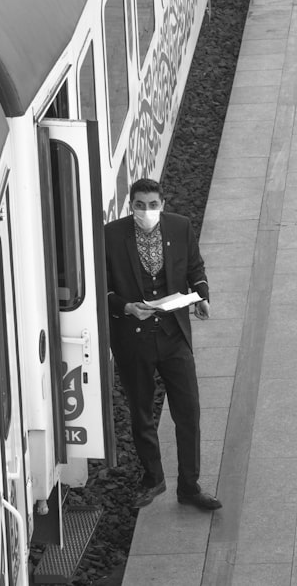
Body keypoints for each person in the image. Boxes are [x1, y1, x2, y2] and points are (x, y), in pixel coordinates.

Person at [104, 178, 221, 511]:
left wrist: (202, 297)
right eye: (139, 205)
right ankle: (153, 478)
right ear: (131, 206)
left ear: (163, 204)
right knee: (141, 413)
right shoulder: (111, 235)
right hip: (133, 340)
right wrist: (126, 307)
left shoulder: (180, 228)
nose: (146, 211)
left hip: (173, 337)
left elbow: (196, 269)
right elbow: (102, 286)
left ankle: (190, 487)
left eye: (152, 205)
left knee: (189, 413)